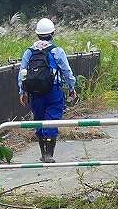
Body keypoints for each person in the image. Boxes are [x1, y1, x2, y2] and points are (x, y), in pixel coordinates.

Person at [18, 18, 78, 164]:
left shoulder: (29, 52)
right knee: (52, 119)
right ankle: (49, 154)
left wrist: (22, 92)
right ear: (52, 33)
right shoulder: (57, 51)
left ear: (37, 34)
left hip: (35, 93)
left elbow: (22, 72)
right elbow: (66, 71)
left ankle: (43, 153)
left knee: (39, 120)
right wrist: (72, 87)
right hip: (54, 91)